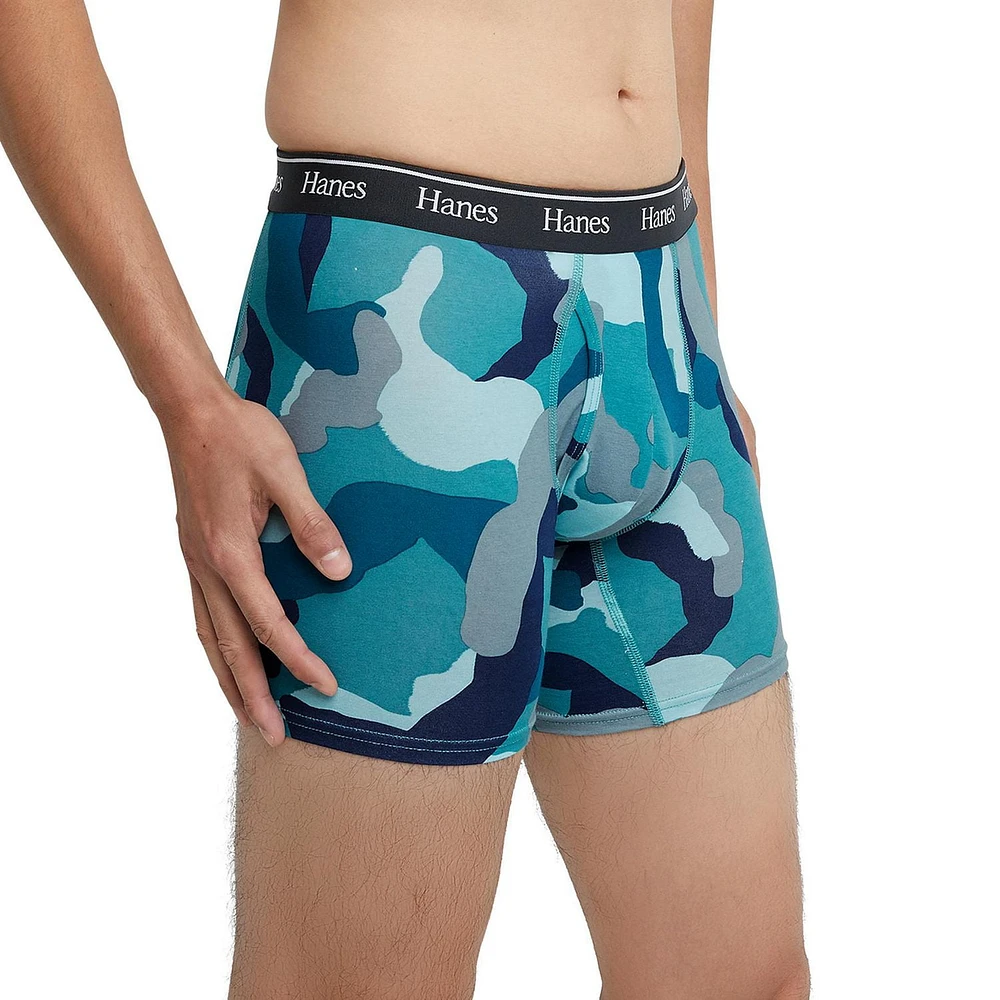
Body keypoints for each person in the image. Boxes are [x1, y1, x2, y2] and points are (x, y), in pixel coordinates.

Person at [0, 1, 809, 996]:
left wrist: (698, 319)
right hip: (408, 307)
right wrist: (185, 400)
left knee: (745, 979)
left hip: (661, 311)